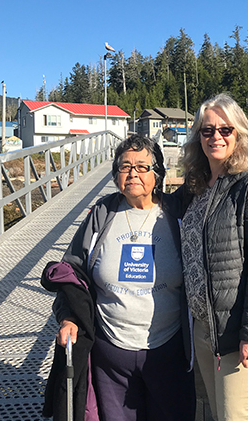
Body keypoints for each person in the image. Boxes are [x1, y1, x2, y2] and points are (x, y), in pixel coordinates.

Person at [41, 134, 195, 421]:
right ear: (115, 174)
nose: (133, 173)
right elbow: (70, 273)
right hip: (111, 355)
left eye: (142, 166)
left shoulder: (177, 214)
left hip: (168, 351)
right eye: (125, 167)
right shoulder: (102, 213)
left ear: (157, 174)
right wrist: (68, 317)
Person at [178, 93, 248, 421]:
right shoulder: (199, 187)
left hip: (240, 331)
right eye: (207, 130)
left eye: (225, 130)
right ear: (198, 136)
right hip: (206, 329)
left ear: (240, 134)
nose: (216, 137)